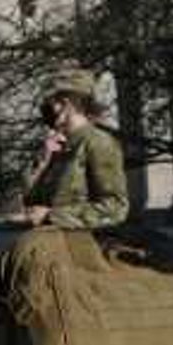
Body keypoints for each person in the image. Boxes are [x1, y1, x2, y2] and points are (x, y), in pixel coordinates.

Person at [20, 69, 127, 230]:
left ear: (66, 103)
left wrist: (53, 216)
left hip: (85, 245)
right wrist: (42, 164)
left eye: (51, 102)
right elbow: (33, 203)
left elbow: (115, 209)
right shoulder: (57, 146)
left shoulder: (98, 142)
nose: (46, 110)